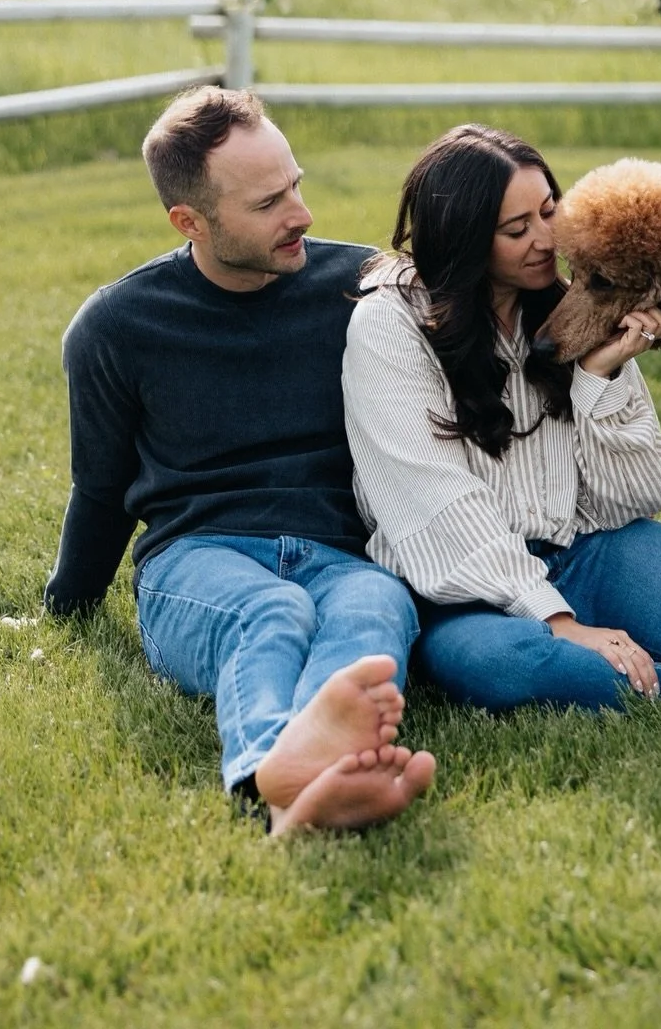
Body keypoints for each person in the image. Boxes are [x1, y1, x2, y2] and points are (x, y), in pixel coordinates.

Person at [44, 85, 435, 835]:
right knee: (273, 610)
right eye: (267, 204)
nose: (302, 215)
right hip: (196, 560)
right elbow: (99, 491)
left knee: (375, 604)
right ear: (189, 221)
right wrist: (66, 605)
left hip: (338, 551)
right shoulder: (117, 326)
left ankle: (307, 785)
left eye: (296, 185)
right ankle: (272, 769)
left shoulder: (364, 288)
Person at [342, 124, 661, 712]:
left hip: (586, 552)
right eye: (518, 229)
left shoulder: (577, 304)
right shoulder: (389, 325)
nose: (548, 239)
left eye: (550, 211)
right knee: (505, 665)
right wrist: (558, 619)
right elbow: (437, 507)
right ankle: (659, 677)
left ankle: (625, 660)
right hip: (462, 586)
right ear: (465, 240)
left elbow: (633, 500)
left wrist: (601, 376)